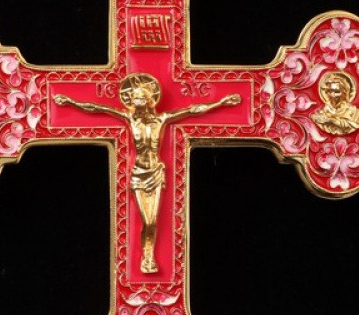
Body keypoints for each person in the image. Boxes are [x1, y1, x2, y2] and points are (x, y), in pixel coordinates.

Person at [54, 74, 240, 274]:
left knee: (153, 220)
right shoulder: (129, 119)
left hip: (156, 173)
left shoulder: (162, 119)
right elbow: (98, 108)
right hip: (139, 174)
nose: (137, 102)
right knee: (147, 220)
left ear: (150, 100)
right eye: (134, 98)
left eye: (141, 98)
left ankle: (148, 258)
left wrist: (221, 102)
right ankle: (146, 256)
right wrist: (70, 101)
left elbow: (192, 110)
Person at [311, 70, 359, 135]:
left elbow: (354, 124)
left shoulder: (356, 113)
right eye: (330, 91)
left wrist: (330, 120)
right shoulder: (321, 113)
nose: (333, 95)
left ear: (345, 93)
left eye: (337, 92)